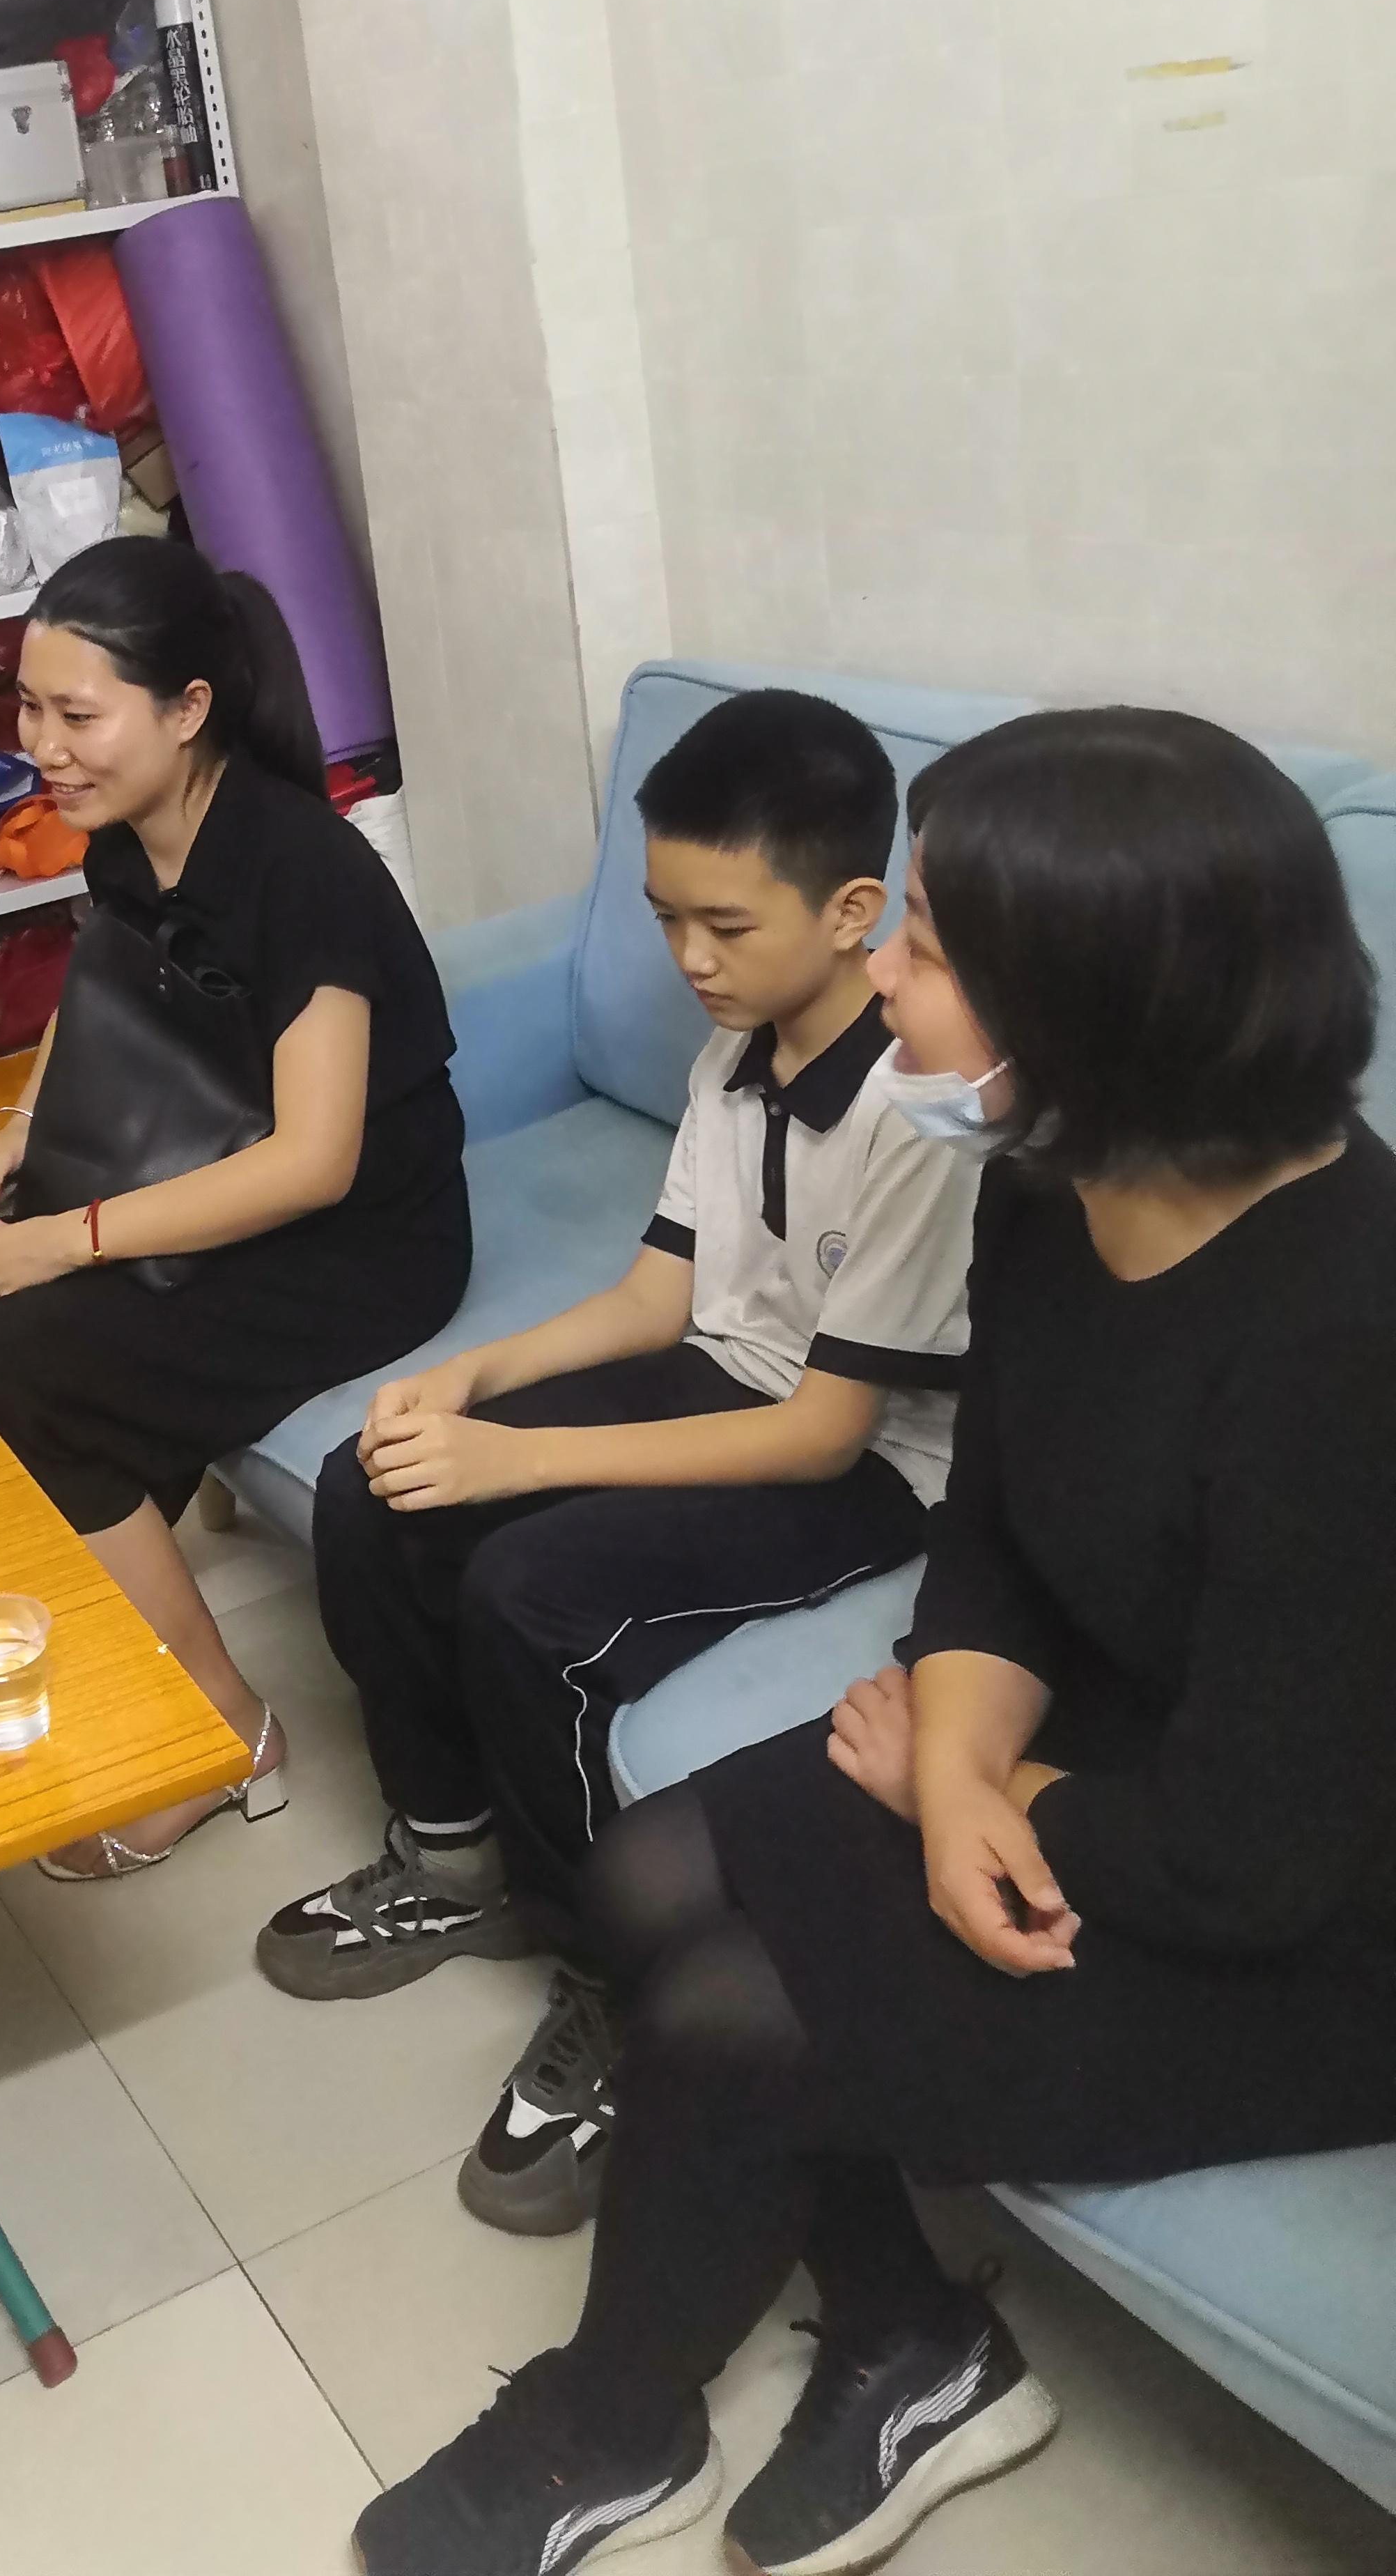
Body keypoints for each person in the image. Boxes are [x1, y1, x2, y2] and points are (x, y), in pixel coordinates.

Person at [355, 707, 1396, 2576]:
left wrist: (965, 1785)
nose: (884, 976)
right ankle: (915, 2343)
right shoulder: (1050, 1186)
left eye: (921, 939)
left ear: (1086, 1003)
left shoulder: (1345, 1345)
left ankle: (611, 2423)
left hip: (1319, 1910)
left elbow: (1260, 1855)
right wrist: (963, 1757)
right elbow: (993, 1525)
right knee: (652, 1872)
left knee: (731, 2016)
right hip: (1110, 1745)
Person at [260, 691, 979, 2240]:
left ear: (853, 911)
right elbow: (662, 1298)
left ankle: (610, 1977)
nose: (690, 959)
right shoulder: (737, 1058)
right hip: (725, 1375)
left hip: (863, 1463)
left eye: (726, 925)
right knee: (371, 1481)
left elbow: (823, 1430)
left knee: (527, 1590)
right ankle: (452, 1857)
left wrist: (516, 1460)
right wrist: (473, 1380)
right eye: (666, 921)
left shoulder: (914, 1116)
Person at [0, 540, 471, 1879]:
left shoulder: (301, 869)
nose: (43, 748)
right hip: (196, 1171)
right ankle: (110, 1626)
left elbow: (314, 1161)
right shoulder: (132, 840)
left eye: (78, 715)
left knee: (28, 1365)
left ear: (189, 707)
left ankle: (220, 1731)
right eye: (30, 708)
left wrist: (67, 1238)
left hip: (357, 1240)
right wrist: (25, 1132)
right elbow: (114, 1007)